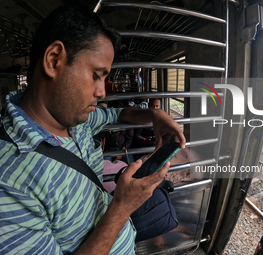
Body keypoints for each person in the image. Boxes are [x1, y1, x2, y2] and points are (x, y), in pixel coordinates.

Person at [0, 5, 185, 255]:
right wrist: (122, 207)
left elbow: (118, 113)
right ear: (54, 60)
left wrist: (154, 114)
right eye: (96, 75)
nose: (102, 92)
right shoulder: (8, 182)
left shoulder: (76, 119)